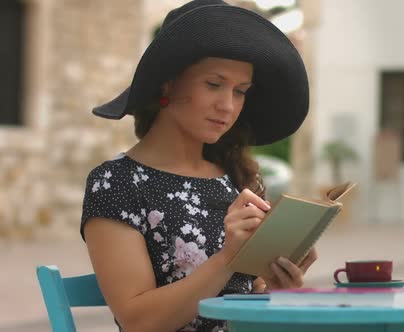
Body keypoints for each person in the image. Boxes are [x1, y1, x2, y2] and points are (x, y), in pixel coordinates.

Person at [80, 1, 315, 331]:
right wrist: (226, 258)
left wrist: (278, 288)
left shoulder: (234, 178)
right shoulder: (117, 183)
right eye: (214, 84)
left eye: (241, 91)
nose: (228, 105)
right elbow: (138, 322)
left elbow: (243, 304)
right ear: (168, 84)